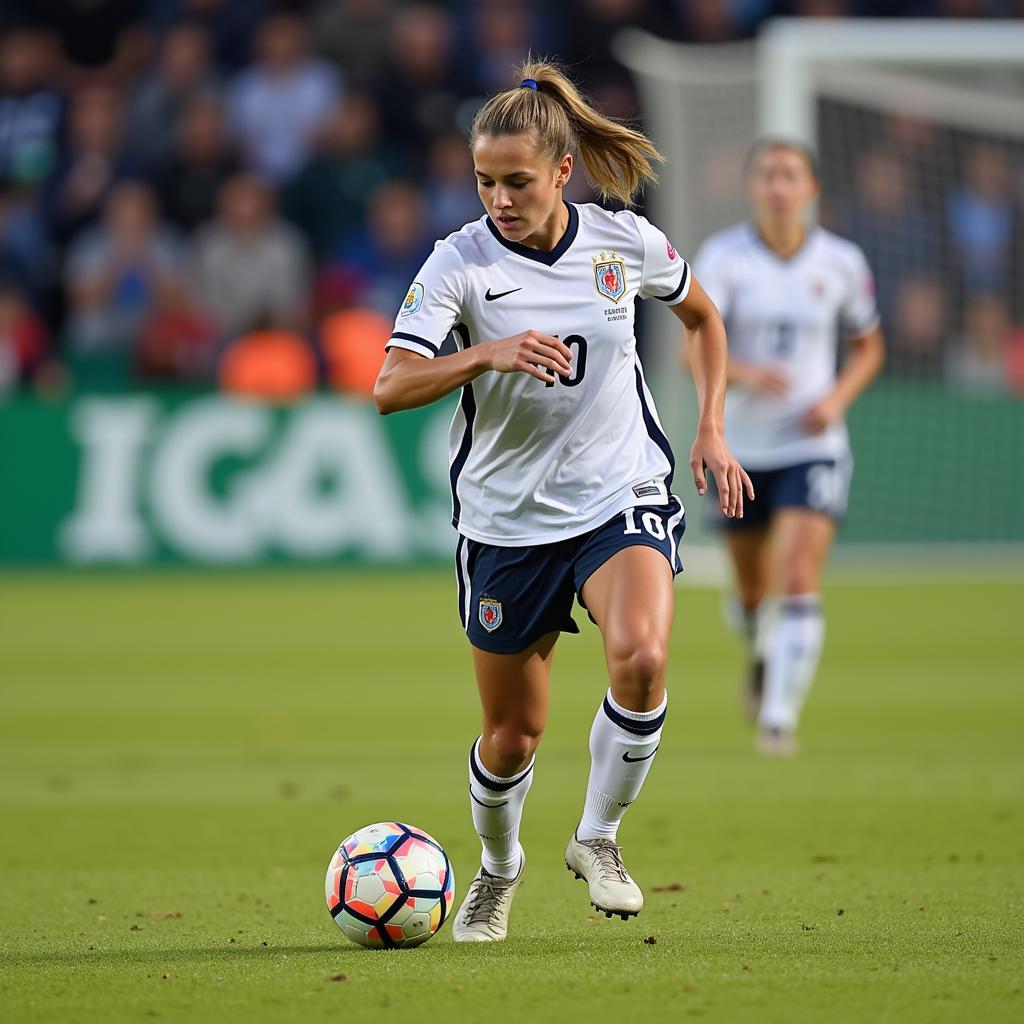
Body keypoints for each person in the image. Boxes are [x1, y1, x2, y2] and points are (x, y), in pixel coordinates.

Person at [373, 59, 752, 942]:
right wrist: (483, 355)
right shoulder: (458, 262)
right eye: (482, 180)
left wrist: (711, 428)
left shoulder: (624, 243)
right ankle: (499, 868)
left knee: (644, 659)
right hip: (506, 523)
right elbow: (390, 384)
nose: (497, 198)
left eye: (513, 181)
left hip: (619, 493)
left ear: (560, 172)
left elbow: (703, 318)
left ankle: (599, 837)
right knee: (513, 736)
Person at [692, 138, 884, 756]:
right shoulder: (724, 258)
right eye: (767, 175)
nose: (778, 186)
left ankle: (778, 718)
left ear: (811, 189)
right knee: (751, 589)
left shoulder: (842, 262)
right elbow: (690, 344)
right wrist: (744, 374)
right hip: (740, 450)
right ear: (752, 187)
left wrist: (836, 399)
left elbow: (868, 346)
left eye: (790, 175)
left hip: (813, 444)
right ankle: (758, 649)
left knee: (798, 575)